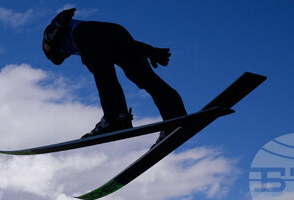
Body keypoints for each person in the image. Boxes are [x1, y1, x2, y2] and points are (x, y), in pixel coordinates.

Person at [42, 8, 186, 141]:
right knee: (145, 78)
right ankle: (174, 114)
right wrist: (152, 51)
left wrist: (61, 19)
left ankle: (116, 117)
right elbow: (120, 41)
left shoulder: (53, 37)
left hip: (90, 34)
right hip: (116, 32)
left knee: (103, 74)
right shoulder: (78, 40)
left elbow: (53, 30)